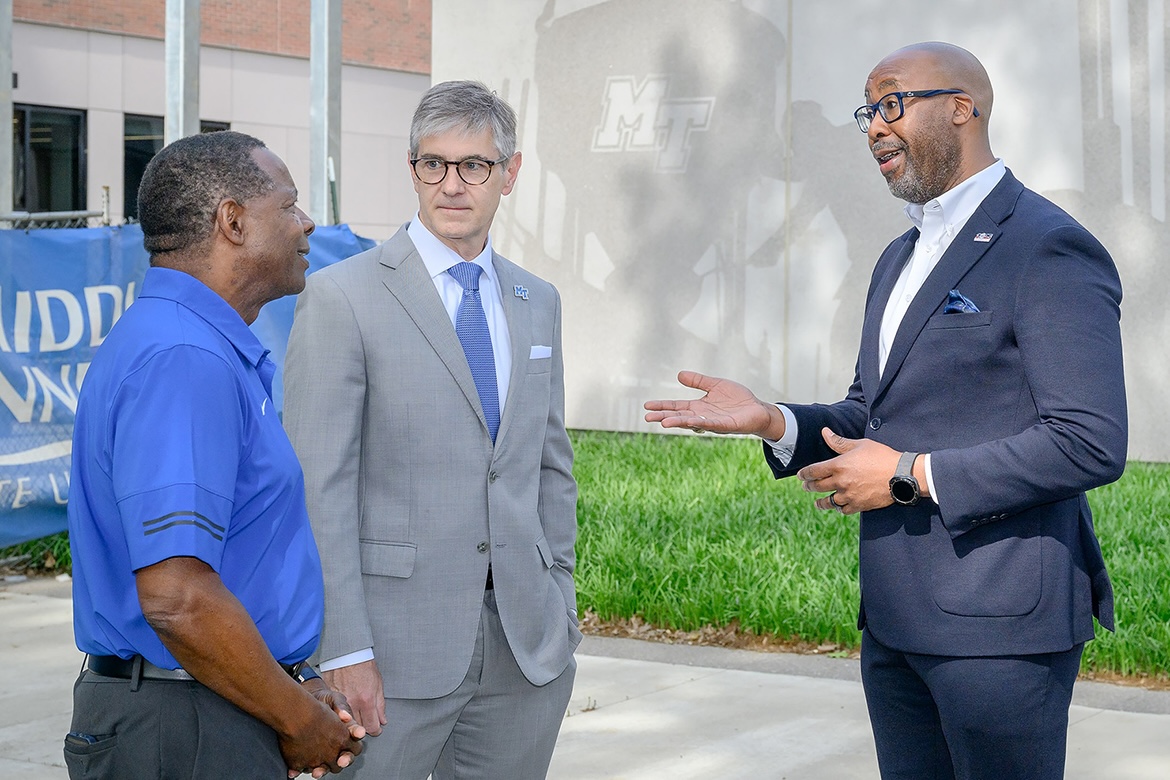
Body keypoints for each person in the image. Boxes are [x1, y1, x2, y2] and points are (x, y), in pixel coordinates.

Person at [645, 42, 1126, 780]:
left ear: (962, 108)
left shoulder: (1048, 246)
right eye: (867, 111)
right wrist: (774, 420)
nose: (873, 126)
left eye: (892, 103)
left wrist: (909, 475)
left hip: (1000, 630)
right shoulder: (899, 258)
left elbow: (1088, 443)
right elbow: (873, 410)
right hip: (896, 622)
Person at [282, 80, 579, 779]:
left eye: (474, 165)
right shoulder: (341, 296)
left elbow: (548, 465)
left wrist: (560, 594)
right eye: (433, 164)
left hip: (524, 651)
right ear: (412, 169)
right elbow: (317, 486)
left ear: (509, 174)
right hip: (389, 656)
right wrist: (343, 648)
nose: (452, 184)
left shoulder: (539, 302)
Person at [66, 131, 365, 780]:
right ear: (232, 221)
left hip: (210, 706)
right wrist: (296, 716)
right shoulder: (185, 358)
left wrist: (291, 683)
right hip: (187, 727)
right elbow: (178, 596)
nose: (307, 222)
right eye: (288, 206)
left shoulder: (195, 345)